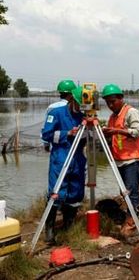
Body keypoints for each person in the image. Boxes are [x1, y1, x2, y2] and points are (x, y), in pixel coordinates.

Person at [41, 85, 86, 244]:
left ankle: (69, 226)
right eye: (79, 103)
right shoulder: (56, 113)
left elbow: (88, 139)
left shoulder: (83, 116)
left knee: (75, 193)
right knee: (56, 193)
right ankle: (50, 229)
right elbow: (46, 134)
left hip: (78, 159)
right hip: (61, 158)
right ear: (72, 99)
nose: (81, 107)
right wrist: (67, 133)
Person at [101, 83, 139, 237]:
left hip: (132, 159)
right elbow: (114, 134)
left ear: (121, 98)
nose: (110, 105)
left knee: (131, 191)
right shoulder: (113, 117)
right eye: (107, 102)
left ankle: (132, 221)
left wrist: (117, 130)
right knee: (124, 191)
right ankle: (130, 214)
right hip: (119, 159)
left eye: (113, 101)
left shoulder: (131, 112)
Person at [41, 79, 77, 151]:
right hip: (72, 144)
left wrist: (46, 144)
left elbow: (45, 128)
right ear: (72, 94)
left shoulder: (51, 107)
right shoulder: (74, 107)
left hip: (57, 146)